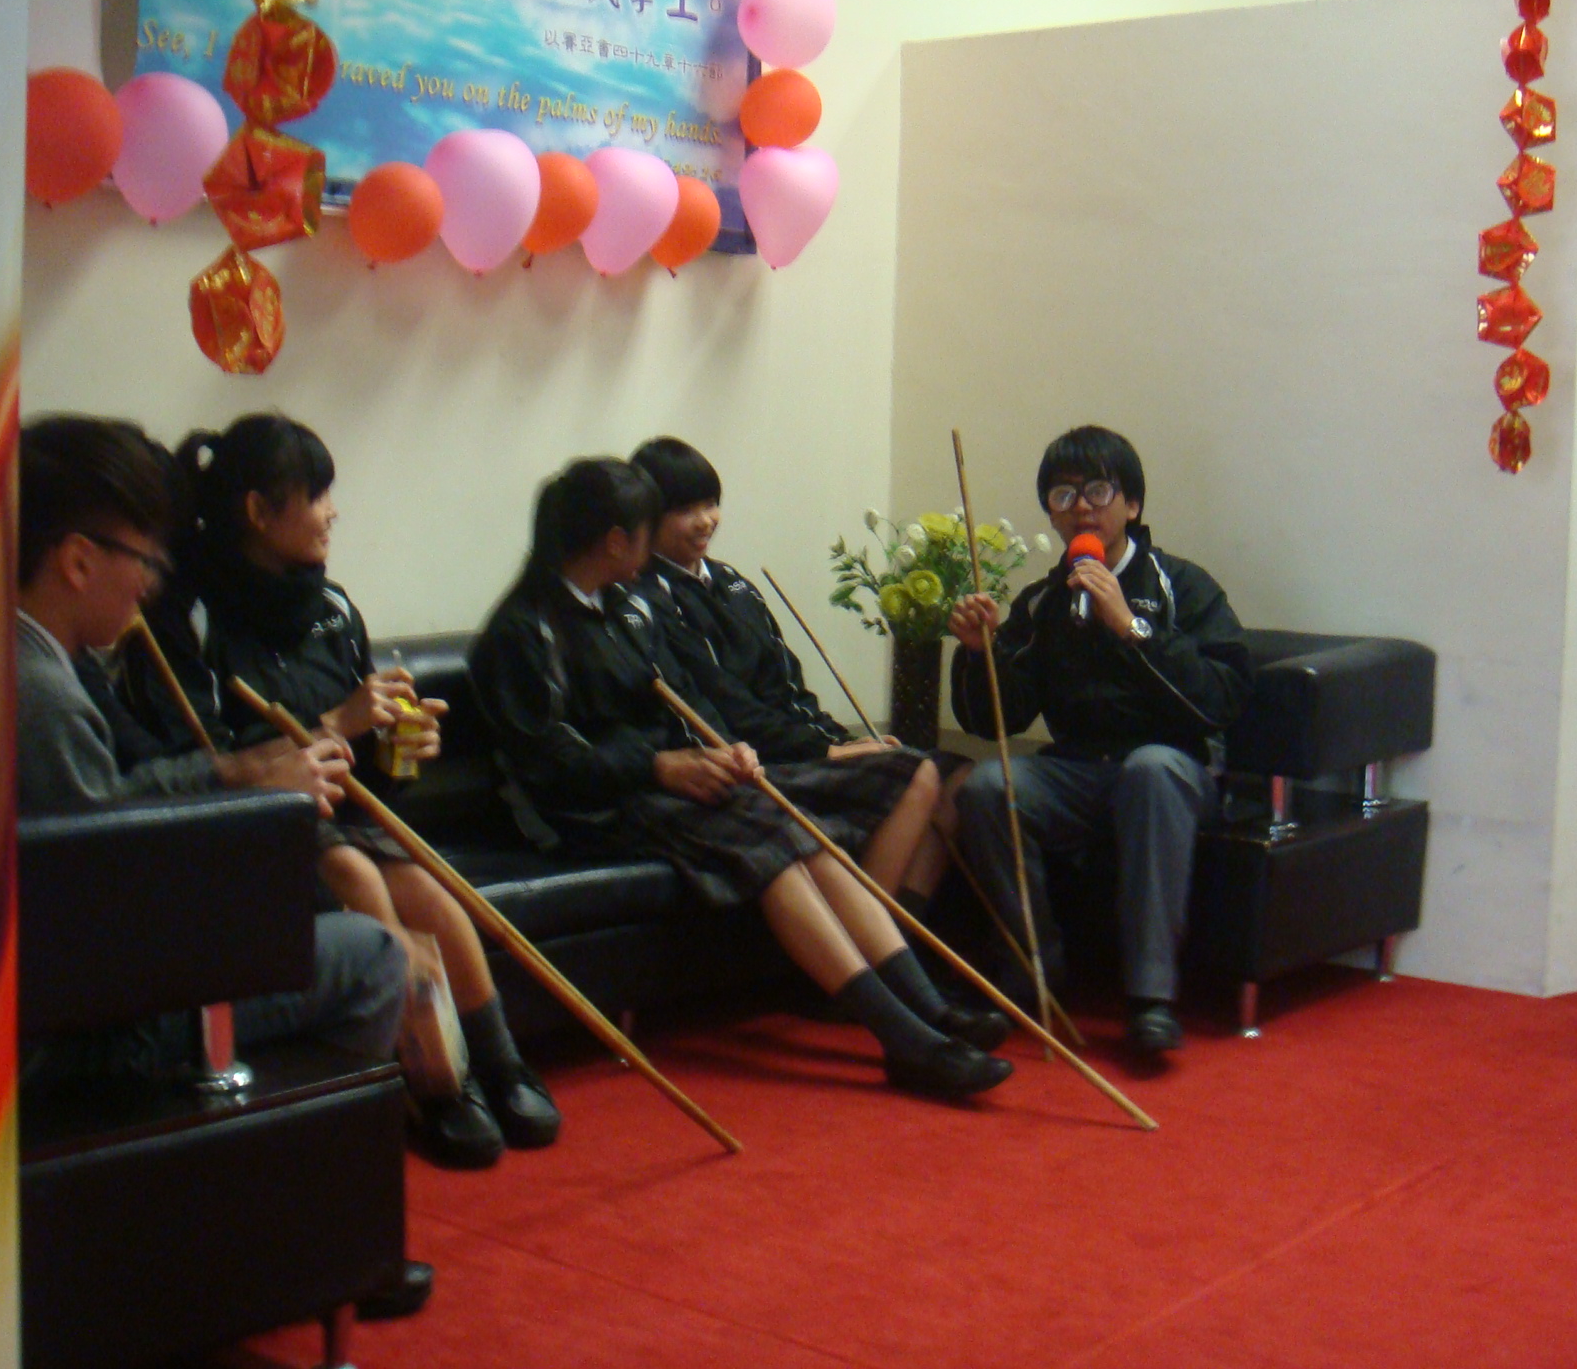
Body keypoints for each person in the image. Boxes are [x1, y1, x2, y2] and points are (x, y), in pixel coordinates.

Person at [15, 413, 433, 1320]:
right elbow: (107, 876)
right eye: (146, 559)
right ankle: (313, 1232)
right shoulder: (46, 691)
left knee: (394, 917)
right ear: (78, 560)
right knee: (371, 954)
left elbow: (120, 796)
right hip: (82, 1026)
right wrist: (254, 795)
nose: (152, 582)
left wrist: (239, 773)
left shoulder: (42, 660)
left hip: (87, 978)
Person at [471, 457, 1013, 1098]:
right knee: (769, 834)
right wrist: (656, 766)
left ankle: (930, 1011)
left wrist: (725, 748)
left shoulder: (623, 608)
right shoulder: (522, 632)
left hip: (664, 781)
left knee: (798, 827)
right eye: (648, 527)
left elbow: (685, 697)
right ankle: (906, 1039)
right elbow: (552, 762)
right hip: (593, 811)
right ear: (617, 540)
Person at [134, 413, 559, 1169]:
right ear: (258, 511)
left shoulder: (331, 609)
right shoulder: (187, 619)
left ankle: (500, 1065)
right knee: (357, 875)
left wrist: (401, 749)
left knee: (431, 894)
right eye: (317, 496)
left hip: (342, 811)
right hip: (258, 825)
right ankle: (433, 1081)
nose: (333, 513)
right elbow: (206, 760)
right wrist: (336, 722)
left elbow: (373, 774)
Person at [948, 425, 1253, 1057]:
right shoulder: (1044, 602)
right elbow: (995, 722)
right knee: (988, 786)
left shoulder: (1181, 585)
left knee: (1150, 771)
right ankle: (1032, 967)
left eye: (1097, 491)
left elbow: (1221, 702)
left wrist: (1131, 627)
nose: (1081, 507)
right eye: (1063, 495)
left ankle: (1151, 997)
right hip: (1078, 770)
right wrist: (979, 654)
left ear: (1132, 503)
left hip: (1174, 768)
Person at [627, 436, 961, 927]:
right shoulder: (642, 601)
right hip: (751, 762)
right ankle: (873, 943)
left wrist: (845, 740)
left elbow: (788, 687)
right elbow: (726, 709)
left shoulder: (734, 584)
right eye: (684, 510)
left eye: (711, 504)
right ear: (647, 517)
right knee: (914, 773)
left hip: (792, 747)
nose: (705, 521)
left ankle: (899, 939)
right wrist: (826, 751)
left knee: (956, 775)